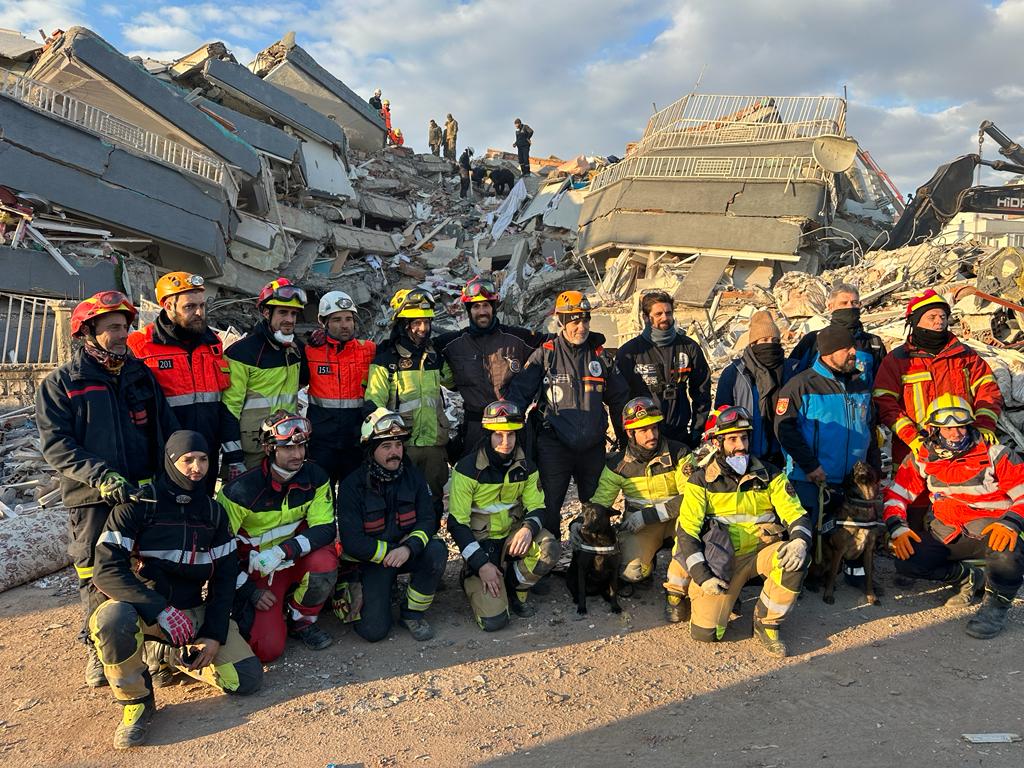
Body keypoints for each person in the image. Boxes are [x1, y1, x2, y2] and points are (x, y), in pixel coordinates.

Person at [36, 290, 177, 687]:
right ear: (88, 332)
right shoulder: (61, 383)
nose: (122, 334)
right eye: (112, 327)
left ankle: (153, 645)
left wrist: (170, 477)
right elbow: (57, 445)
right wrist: (100, 475)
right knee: (96, 573)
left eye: (125, 326)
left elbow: (162, 428)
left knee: (152, 565)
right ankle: (100, 650)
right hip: (92, 498)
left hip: (143, 493)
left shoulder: (139, 374)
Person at [89, 431, 262, 749]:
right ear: (170, 462)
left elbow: (225, 578)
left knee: (247, 680)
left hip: (191, 612)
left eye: (204, 459)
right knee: (111, 618)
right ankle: (136, 702)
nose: (196, 468)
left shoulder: (212, 512)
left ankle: (168, 655)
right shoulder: (138, 507)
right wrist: (159, 609)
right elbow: (106, 569)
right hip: (147, 611)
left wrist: (213, 634)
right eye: (187, 460)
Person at [668, 405, 811, 656]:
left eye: (744, 438)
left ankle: (767, 623)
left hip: (761, 551)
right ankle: (702, 594)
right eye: (732, 439)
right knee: (706, 634)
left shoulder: (772, 475)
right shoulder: (700, 480)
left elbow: (796, 514)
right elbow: (687, 533)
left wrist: (799, 541)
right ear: (718, 443)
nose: (740, 445)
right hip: (722, 562)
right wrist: (703, 577)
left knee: (795, 561)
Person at [885, 395, 1024, 638]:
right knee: (907, 560)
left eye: (961, 426)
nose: (955, 433)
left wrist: (1011, 523)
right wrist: (898, 528)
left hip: (993, 530)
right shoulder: (922, 458)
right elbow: (896, 496)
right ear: (934, 429)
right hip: (950, 532)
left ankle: (996, 607)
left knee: (1006, 555)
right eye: (948, 428)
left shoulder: (996, 454)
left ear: (970, 425)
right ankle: (970, 577)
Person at [874, 289, 1004, 530]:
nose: (939, 322)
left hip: (960, 440)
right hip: (914, 444)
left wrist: (984, 425)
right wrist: (911, 437)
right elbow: (885, 402)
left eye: (943, 316)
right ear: (915, 322)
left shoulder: (965, 356)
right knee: (912, 496)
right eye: (932, 317)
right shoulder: (899, 360)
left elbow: (988, 390)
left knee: (957, 494)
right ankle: (911, 544)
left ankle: (957, 548)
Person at [507, 290, 630, 541]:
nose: (581, 326)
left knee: (596, 506)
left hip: (592, 447)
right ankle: (549, 559)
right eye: (574, 320)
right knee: (550, 506)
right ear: (561, 321)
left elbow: (619, 401)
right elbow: (518, 397)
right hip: (554, 445)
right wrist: (509, 440)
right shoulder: (546, 354)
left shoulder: (600, 355)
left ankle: (591, 558)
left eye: (585, 319)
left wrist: (626, 442)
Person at [218, 411, 337, 662]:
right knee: (266, 650)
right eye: (288, 448)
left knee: (325, 561)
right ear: (269, 448)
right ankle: (271, 608)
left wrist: (282, 551)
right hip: (257, 571)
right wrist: (250, 591)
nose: (298, 454)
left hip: (291, 559)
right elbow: (218, 552)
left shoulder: (316, 477)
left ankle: (301, 619)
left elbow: (325, 528)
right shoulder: (239, 492)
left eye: (302, 446)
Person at [338, 408, 447, 641]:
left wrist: (409, 548)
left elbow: (429, 519)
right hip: (373, 561)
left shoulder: (413, 477)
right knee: (373, 632)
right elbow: (351, 541)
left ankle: (412, 613)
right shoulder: (351, 486)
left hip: (406, 553)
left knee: (436, 550)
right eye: (386, 447)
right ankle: (377, 592)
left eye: (398, 445)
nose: (394, 453)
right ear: (370, 450)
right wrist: (389, 552)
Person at [448, 400, 559, 629]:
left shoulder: (527, 466)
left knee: (549, 548)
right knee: (493, 622)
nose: (506, 442)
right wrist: (480, 564)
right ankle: (472, 576)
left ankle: (515, 586)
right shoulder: (467, 469)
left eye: (511, 435)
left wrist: (528, 529)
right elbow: (457, 524)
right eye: (499, 435)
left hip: (512, 539)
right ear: (488, 433)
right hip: (482, 544)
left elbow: (537, 507)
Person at [128, 272, 241, 492]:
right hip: (163, 455)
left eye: (202, 306)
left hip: (205, 453)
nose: (199, 313)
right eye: (190, 307)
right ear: (169, 306)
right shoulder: (140, 346)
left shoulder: (213, 344)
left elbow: (223, 402)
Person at [588, 397, 690, 610]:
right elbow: (601, 501)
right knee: (631, 572)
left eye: (654, 428)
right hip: (641, 528)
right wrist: (583, 520)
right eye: (643, 431)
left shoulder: (680, 453)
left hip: (676, 520)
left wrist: (648, 515)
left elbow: (692, 498)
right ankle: (649, 562)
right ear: (629, 433)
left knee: (692, 557)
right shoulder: (618, 465)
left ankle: (677, 584)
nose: (651, 435)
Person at [365, 288, 453, 524]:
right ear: (403, 324)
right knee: (399, 502)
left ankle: (430, 548)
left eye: (426, 322)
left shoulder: (435, 356)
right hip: (402, 445)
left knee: (433, 501)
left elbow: (454, 381)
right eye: (416, 322)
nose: (422, 328)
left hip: (434, 443)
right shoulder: (387, 358)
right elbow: (374, 400)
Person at [775, 325, 876, 526]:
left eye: (853, 347)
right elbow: (784, 430)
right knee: (813, 541)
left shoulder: (861, 386)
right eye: (846, 348)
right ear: (828, 352)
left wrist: (874, 469)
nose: (854, 352)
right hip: (813, 482)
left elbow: (869, 429)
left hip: (854, 484)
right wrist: (811, 466)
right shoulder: (801, 385)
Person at [436, 275, 543, 458]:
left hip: (511, 429)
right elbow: (417, 347)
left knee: (515, 480)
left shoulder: (517, 338)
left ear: (493, 308)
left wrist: (590, 342)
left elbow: (556, 344)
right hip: (475, 429)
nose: (482, 311)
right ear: (469, 311)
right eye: (476, 306)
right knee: (474, 481)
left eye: (486, 305)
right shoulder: (451, 343)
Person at [223, 278, 307, 470]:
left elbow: (309, 378)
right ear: (266, 312)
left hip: (286, 445)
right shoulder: (241, 353)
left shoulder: (296, 349)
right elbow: (229, 410)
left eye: (294, 314)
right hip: (253, 450)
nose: (290, 320)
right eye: (283, 312)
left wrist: (321, 342)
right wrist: (234, 459)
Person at [616, 291, 711, 449]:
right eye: (658, 313)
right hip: (645, 437)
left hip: (680, 435)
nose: (665, 318)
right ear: (646, 317)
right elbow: (618, 399)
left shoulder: (689, 348)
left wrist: (697, 429)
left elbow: (702, 391)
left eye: (668, 313)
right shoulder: (631, 352)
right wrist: (625, 437)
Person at [305, 291, 375, 487]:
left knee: (354, 497)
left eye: (348, 318)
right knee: (320, 497)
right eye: (336, 319)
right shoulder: (310, 351)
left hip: (356, 441)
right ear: (323, 322)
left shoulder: (369, 350)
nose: (344, 325)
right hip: (321, 442)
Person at [715, 310, 791, 466]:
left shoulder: (789, 371)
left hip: (781, 457)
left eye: (774, 340)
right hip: (744, 456)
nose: (770, 344)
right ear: (753, 344)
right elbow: (722, 416)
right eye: (764, 340)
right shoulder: (734, 374)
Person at [788, 283, 887, 385]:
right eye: (844, 303)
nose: (850, 307)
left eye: (854, 302)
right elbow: (792, 376)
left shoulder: (874, 343)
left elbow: (883, 383)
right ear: (830, 307)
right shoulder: (813, 340)